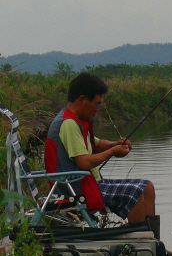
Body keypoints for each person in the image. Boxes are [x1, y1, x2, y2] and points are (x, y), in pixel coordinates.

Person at [45, 72, 158, 235]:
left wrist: (116, 144)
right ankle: (139, 241)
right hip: (76, 190)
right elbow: (84, 162)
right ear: (82, 100)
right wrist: (112, 152)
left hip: (91, 184)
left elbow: (95, 144)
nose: (98, 109)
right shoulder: (68, 124)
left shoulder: (76, 120)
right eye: (97, 104)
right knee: (135, 193)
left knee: (148, 187)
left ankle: (153, 239)